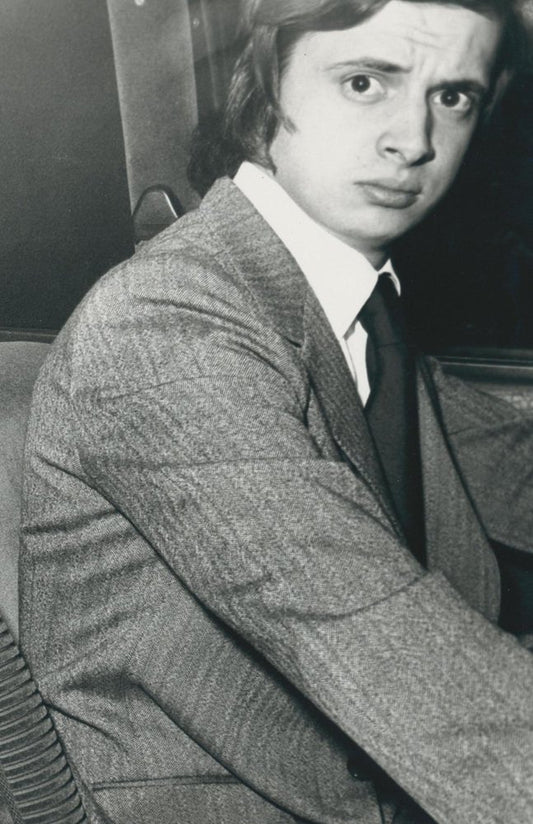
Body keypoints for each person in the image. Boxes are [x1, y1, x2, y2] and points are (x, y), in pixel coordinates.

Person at [19, 1, 533, 822]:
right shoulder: (170, 323)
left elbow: (511, 465)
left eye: (453, 98)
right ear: (261, 87)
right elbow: (365, 628)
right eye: (364, 81)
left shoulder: (349, 308)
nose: (414, 140)